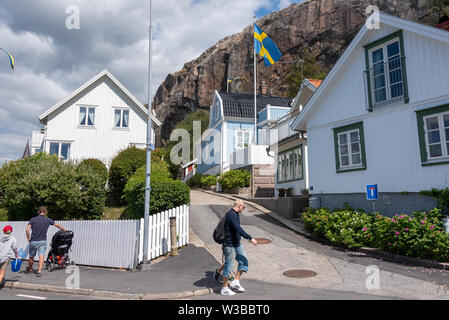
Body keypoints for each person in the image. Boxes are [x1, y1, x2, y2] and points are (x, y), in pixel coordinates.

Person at [221, 199, 257, 296]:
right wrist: (250, 238)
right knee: (229, 267)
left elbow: (236, 230)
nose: (243, 209)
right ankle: (224, 288)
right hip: (230, 245)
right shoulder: (231, 215)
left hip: (237, 244)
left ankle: (235, 282)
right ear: (239, 206)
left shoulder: (235, 214)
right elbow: (238, 228)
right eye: (243, 207)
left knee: (244, 261)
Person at [26, 206, 66, 277]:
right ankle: (39, 271)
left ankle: (29, 268)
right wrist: (63, 230)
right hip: (42, 241)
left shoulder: (32, 220)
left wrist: (28, 238)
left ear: (38, 212)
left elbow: (27, 230)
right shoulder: (48, 220)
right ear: (45, 212)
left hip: (33, 241)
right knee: (41, 256)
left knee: (31, 257)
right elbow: (58, 226)